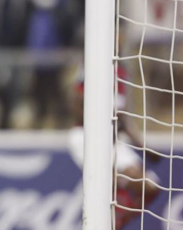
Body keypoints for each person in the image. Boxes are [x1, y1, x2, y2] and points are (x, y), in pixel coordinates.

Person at [67, 65, 160, 230]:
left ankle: (115, 222)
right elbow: (75, 100)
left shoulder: (120, 76)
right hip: (89, 141)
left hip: (114, 144)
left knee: (151, 187)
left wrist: (142, 147)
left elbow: (121, 116)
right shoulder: (93, 66)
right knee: (107, 182)